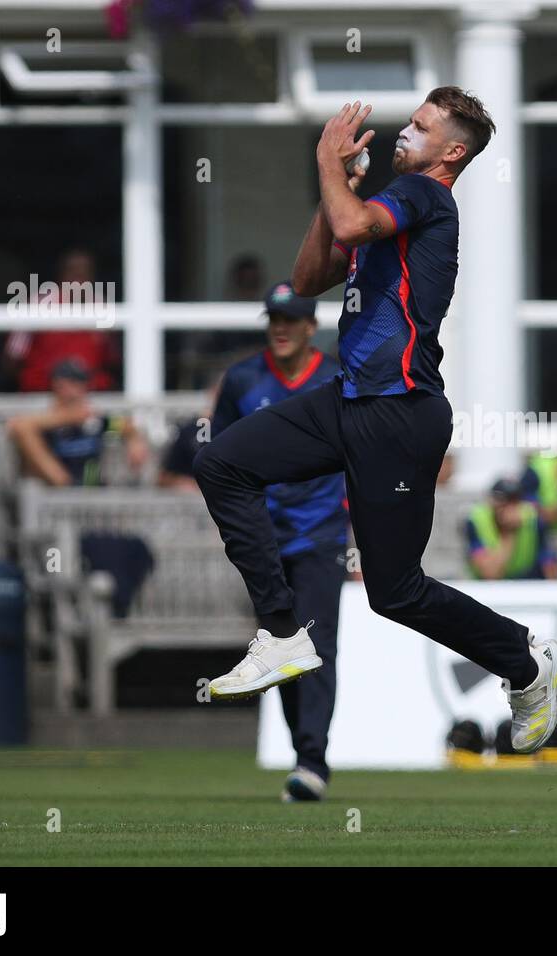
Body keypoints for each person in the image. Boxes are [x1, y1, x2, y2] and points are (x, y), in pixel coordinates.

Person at [193, 89, 557, 756]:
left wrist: (326, 163)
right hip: (351, 399)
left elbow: (354, 227)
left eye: (421, 127)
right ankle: (281, 635)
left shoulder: (427, 196)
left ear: (452, 151)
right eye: (409, 122)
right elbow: (308, 279)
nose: (403, 134)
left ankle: (525, 660)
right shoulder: (388, 207)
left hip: (400, 412)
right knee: (221, 461)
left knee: (394, 593)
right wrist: (332, 188)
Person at [197, 283, 350, 802]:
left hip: (320, 533)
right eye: (273, 319)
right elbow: (220, 462)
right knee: (283, 651)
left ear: (311, 327)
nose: (280, 328)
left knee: (318, 645)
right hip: (265, 541)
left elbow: (360, 456)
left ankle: (312, 762)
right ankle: (301, 756)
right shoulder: (242, 379)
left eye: (290, 319)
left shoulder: (335, 378)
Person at [6, 357, 147, 487]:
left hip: (90, 490)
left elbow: (124, 426)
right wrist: (68, 417)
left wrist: (134, 440)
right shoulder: (45, 424)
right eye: (67, 385)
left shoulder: (95, 421)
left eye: (80, 385)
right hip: (54, 492)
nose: (74, 392)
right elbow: (20, 427)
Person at [3, 248, 120, 393]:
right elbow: (13, 358)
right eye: (73, 272)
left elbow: (113, 359)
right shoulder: (39, 304)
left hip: (90, 396)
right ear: (61, 275)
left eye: (84, 273)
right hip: (44, 395)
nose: (79, 279)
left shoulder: (102, 306)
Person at [465, 478, 557, 581]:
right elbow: (490, 574)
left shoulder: (532, 518)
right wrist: (508, 534)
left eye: (514, 501)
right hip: (487, 588)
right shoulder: (476, 520)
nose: (509, 508)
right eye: (504, 501)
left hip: (525, 582)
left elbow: (547, 560)